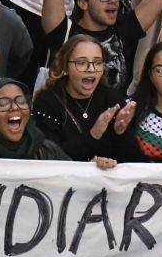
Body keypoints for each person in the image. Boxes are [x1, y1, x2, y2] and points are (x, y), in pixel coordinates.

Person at [0, 77, 111, 166]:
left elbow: (75, 181)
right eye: (4, 103)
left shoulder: (47, 152)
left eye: (21, 101)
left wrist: (94, 168)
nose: (15, 108)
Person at [32, 35, 121, 164]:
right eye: (81, 62)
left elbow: (133, 160)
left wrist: (123, 132)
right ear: (66, 67)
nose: (91, 69)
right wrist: (92, 136)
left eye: (97, 62)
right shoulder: (47, 102)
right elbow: (49, 156)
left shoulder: (111, 98)